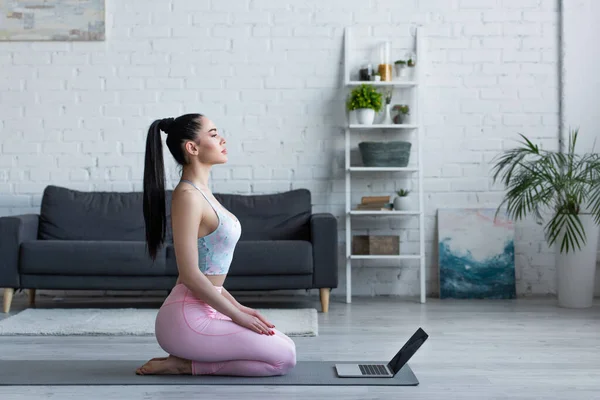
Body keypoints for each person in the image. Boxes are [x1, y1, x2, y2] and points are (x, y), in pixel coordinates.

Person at [135, 113, 297, 376]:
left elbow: (212, 275)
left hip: (210, 307)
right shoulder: (187, 196)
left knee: (286, 346)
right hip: (187, 318)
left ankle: (184, 361)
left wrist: (240, 308)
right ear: (192, 147)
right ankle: (185, 365)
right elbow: (189, 274)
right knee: (283, 358)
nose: (222, 139)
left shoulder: (203, 193)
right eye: (212, 134)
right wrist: (236, 316)